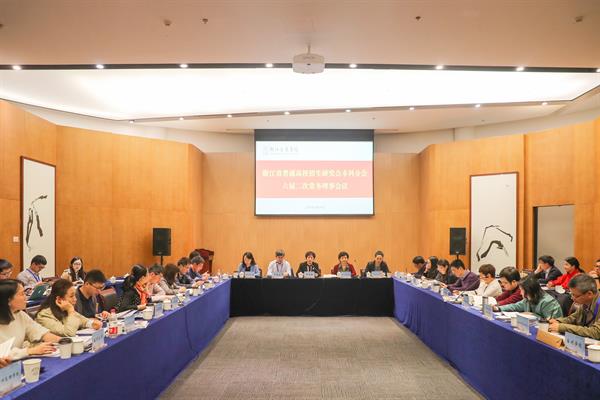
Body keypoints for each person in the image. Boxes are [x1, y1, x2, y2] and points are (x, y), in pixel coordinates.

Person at [0, 279, 60, 360]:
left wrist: (63, 341)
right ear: (8, 300)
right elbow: (2, 354)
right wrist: (30, 351)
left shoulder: (20, 314)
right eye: (22, 294)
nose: (26, 297)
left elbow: (39, 331)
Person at [36, 279, 102, 336]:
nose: (75, 299)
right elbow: (68, 333)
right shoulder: (44, 315)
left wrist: (91, 323)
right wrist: (70, 310)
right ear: (59, 299)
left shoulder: (64, 309)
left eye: (75, 295)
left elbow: (82, 320)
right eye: (71, 296)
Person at [549, 275, 600, 339]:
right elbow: (573, 318)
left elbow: (596, 332)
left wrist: (562, 327)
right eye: (571, 294)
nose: (572, 298)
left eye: (575, 295)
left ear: (589, 294)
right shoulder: (585, 302)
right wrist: (558, 321)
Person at [497, 277, 563, 319]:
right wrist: (498, 308)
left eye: (521, 290)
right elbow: (515, 306)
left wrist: (533, 315)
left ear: (528, 290)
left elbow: (551, 322)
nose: (520, 293)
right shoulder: (528, 298)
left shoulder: (548, 302)